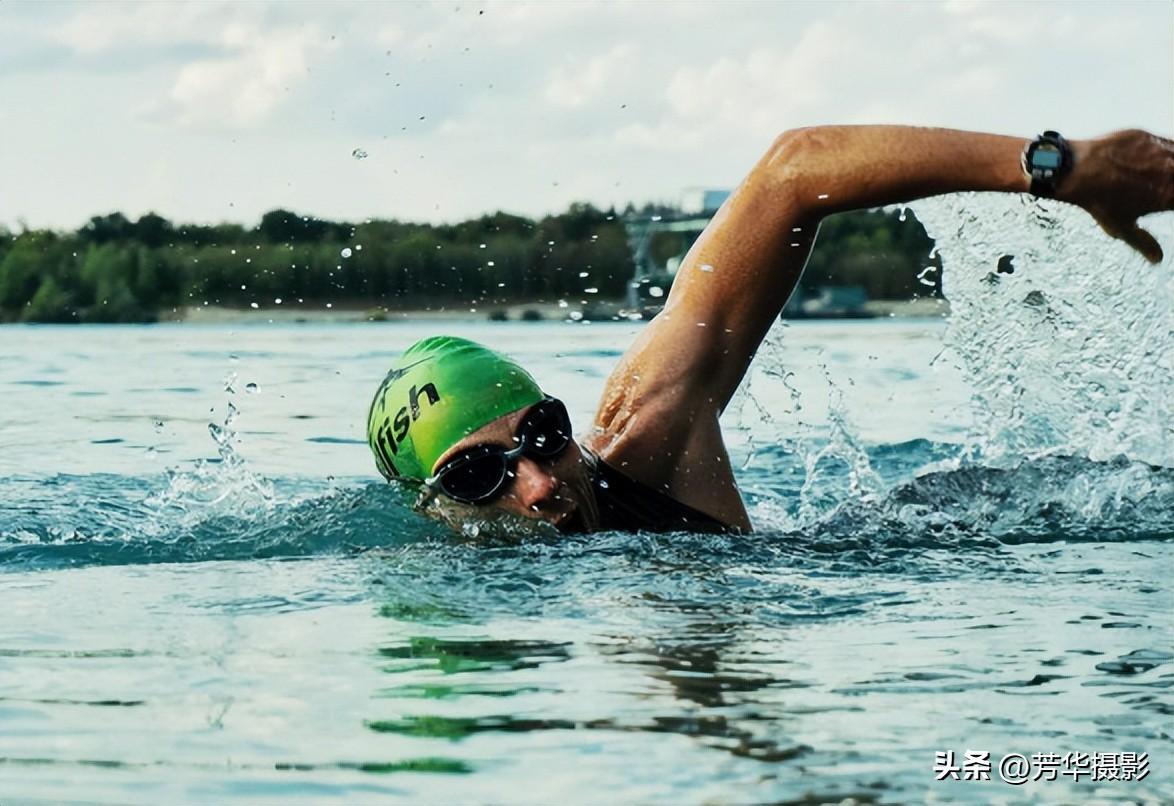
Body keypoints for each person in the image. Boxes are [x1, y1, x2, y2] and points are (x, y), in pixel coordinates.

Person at [368, 125, 1173, 535]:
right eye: (479, 478)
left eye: (542, 436)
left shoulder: (648, 435)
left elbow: (794, 170)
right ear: (429, 507)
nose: (538, 485)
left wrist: (1059, 168)